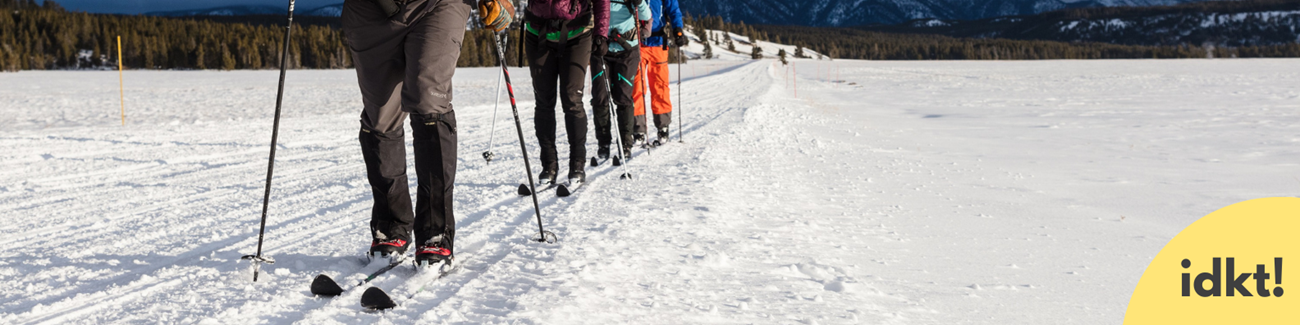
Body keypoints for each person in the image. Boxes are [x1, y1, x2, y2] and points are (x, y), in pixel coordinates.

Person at [341, 0, 477, 266]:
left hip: (438, 4)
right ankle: (391, 225)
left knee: (429, 99)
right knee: (381, 116)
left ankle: (435, 231)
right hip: (369, 10)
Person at [524, 0, 611, 186]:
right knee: (543, 99)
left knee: (572, 98)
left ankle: (577, 164)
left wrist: (601, 33)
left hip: (577, 33)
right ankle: (549, 165)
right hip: (538, 32)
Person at [590, 0, 651, 159]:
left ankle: (625, 143)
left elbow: (646, 15)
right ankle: (603, 144)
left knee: (623, 96)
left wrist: (639, 3)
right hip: (601, 48)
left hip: (627, 50)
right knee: (600, 96)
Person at [632, 0, 687, 146]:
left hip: (658, 43)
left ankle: (663, 126)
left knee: (660, 86)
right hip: (636, 43)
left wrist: (678, 30)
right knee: (636, 86)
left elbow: (674, 10)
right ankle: (638, 129)